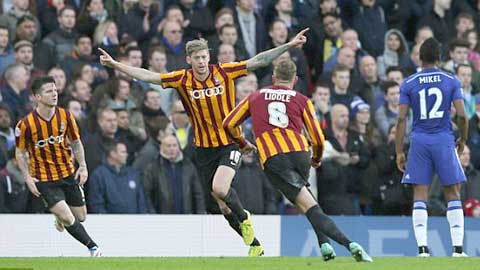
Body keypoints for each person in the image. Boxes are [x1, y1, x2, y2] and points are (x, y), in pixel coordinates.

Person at [99, 25, 310, 257]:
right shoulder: (182, 79)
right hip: (203, 148)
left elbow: (258, 60)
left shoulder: (225, 71)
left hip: (231, 141)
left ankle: (245, 218)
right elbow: (149, 76)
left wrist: (289, 45)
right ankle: (254, 245)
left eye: (204, 56)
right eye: (196, 58)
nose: (201, 61)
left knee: (220, 188)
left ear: (209, 56)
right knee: (221, 204)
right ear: (189, 59)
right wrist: (117, 65)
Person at [223, 59, 372, 262]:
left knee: (309, 206)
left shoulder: (255, 96)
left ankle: (350, 244)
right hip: (300, 154)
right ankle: (325, 244)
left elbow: (229, 123)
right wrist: (316, 158)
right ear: (295, 79)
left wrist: (242, 143)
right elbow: (318, 138)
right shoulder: (302, 99)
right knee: (305, 199)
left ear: (274, 78)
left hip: (275, 158)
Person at [395, 38, 469, 258]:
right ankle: (457, 250)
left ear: (420, 57)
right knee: (453, 192)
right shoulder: (451, 80)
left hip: (419, 141)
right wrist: (463, 139)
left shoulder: (409, 83)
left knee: (420, 194)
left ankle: (423, 250)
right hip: (444, 139)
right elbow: (463, 115)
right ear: (440, 57)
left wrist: (399, 150)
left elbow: (400, 119)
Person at [15, 76, 101, 256]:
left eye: (55, 90)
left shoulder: (66, 116)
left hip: (67, 174)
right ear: (37, 97)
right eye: (48, 91)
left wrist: (83, 166)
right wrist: (28, 178)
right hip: (44, 179)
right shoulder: (26, 124)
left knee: (81, 217)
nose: (54, 94)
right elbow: (20, 152)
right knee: (68, 217)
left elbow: (76, 143)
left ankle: (59, 216)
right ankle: (93, 247)